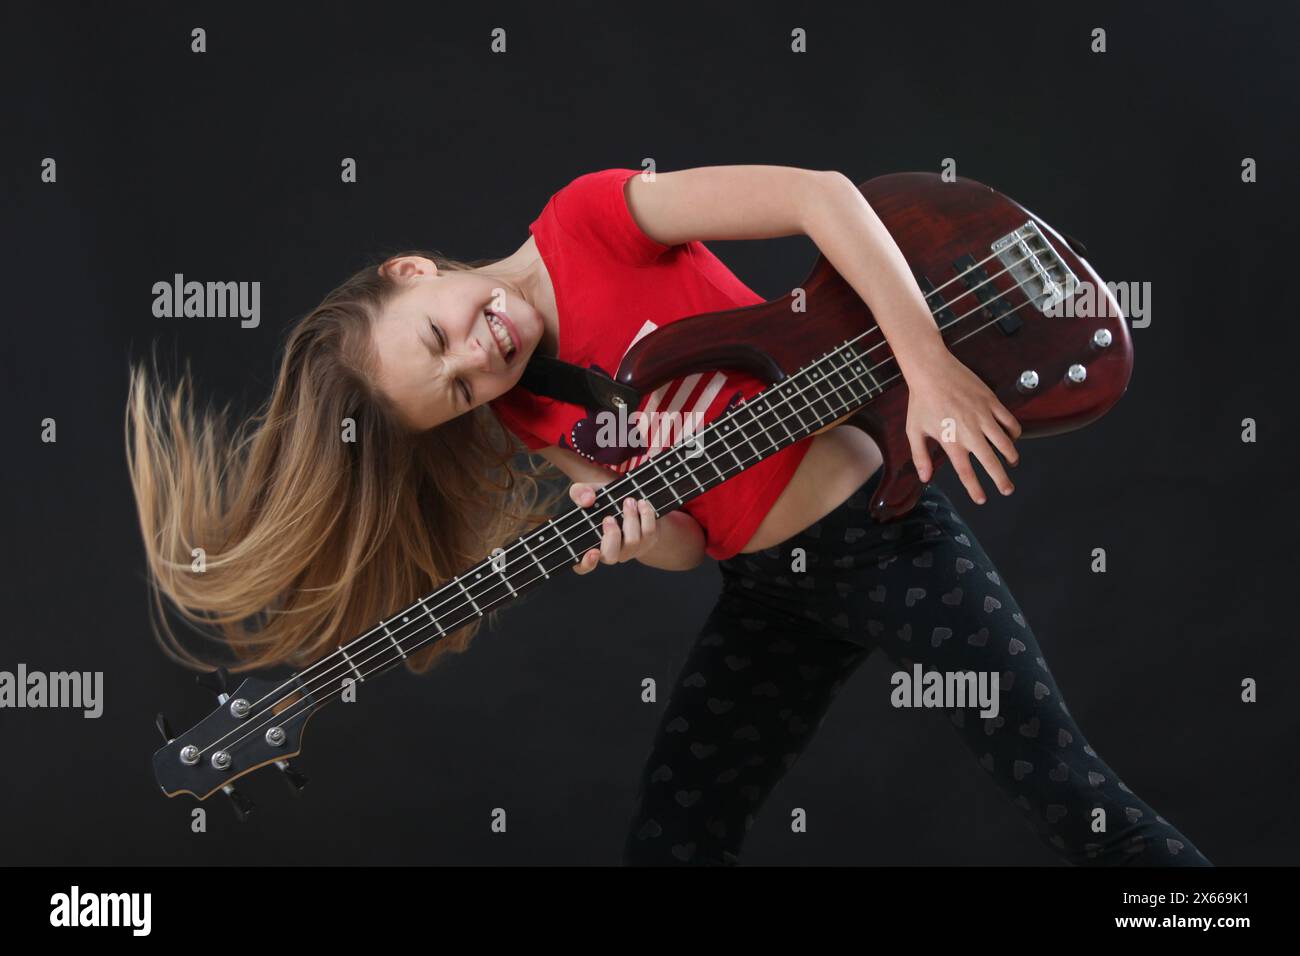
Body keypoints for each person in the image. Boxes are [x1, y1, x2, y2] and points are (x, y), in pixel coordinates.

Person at [126, 165, 1209, 866]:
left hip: (884, 540)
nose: (476, 357)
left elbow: (824, 197)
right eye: (454, 388)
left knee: (1064, 787)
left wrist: (923, 364)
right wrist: (647, 540)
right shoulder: (534, 414)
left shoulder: (590, 218)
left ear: (413, 271)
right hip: (769, 589)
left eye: (438, 334)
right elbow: (693, 536)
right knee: (673, 839)